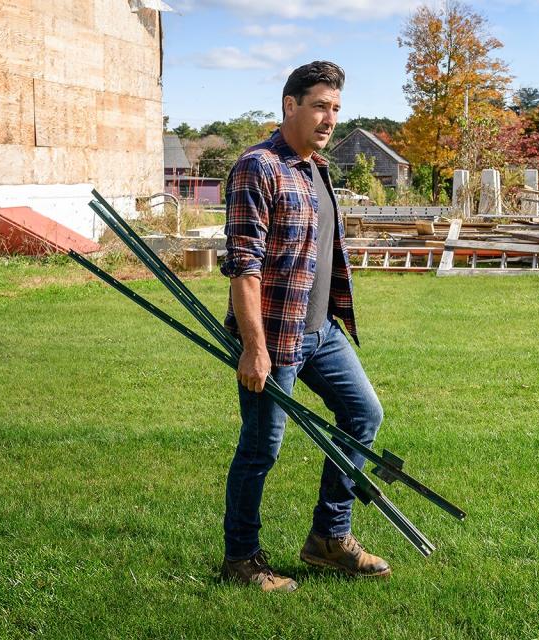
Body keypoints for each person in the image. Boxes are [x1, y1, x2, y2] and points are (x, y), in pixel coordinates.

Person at [219, 61, 389, 593]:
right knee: (261, 448)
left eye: (336, 109)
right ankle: (241, 559)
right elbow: (243, 266)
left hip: (321, 332)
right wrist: (254, 349)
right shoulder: (258, 167)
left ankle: (328, 539)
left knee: (363, 413)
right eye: (320, 106)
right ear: (290, 104)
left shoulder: (317, 169)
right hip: (274, 337)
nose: (329, 118)